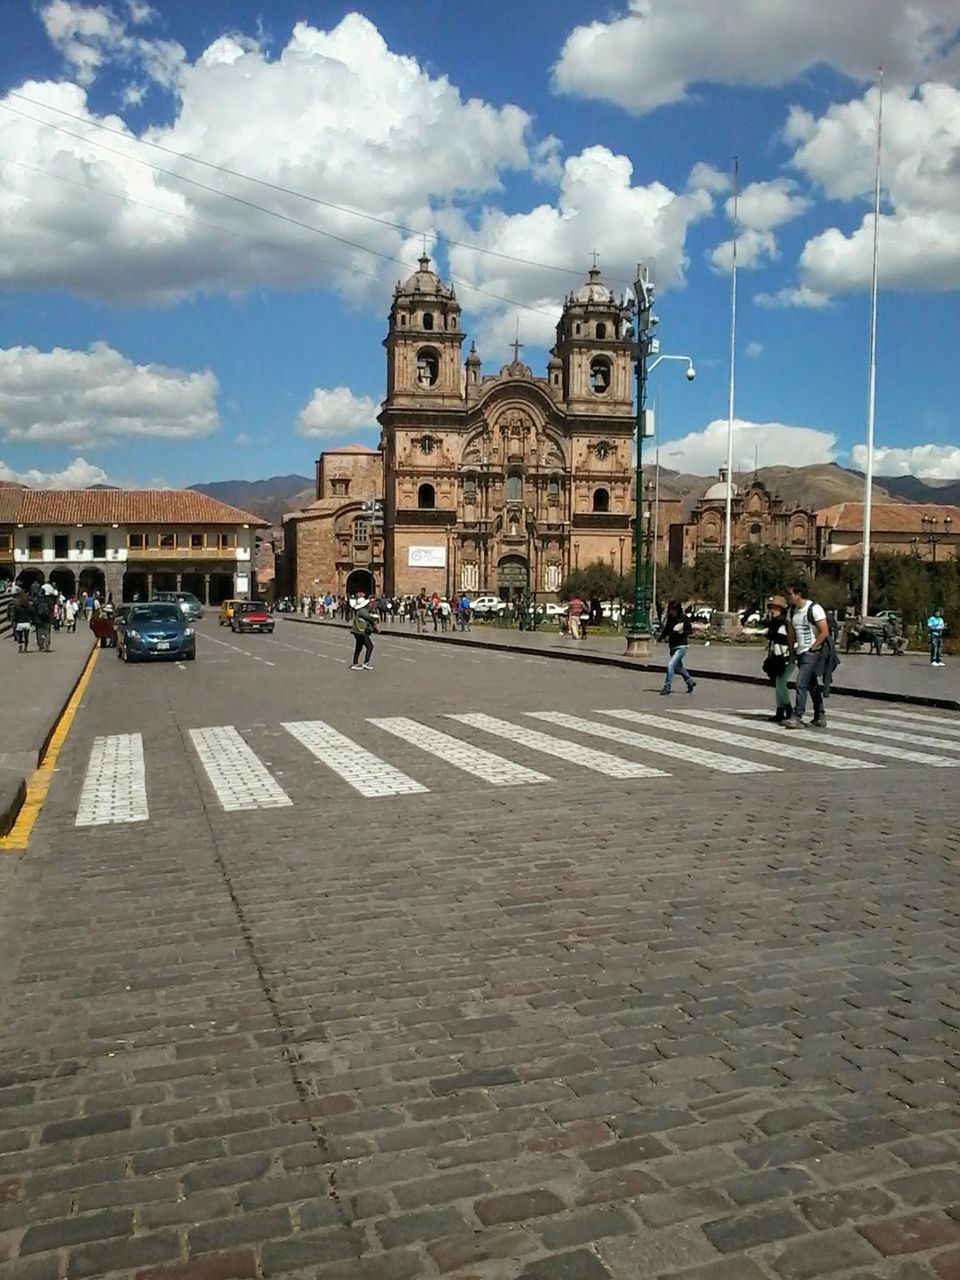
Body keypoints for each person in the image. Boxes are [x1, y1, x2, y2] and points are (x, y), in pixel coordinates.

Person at [783, 581, 828, 729]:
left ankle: (797, 716)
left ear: (798, 594)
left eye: (790, 594)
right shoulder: (791, 611)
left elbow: (824, 631)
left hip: (811, 653)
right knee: (812, 685)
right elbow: (791, 633)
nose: (788, 597)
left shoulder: (814, 609)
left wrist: (813, 647)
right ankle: (820, 715)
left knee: (800, 683)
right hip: (800, 652)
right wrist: (791, 651)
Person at [762, 596, 795, 723]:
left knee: (781, 683)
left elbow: (788, 640)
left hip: (787, 657)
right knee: (778, 684)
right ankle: (780, 711)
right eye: (771, 608)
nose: (773, 611)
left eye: (776, 609)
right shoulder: (773, 624)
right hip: (776, 657)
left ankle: (789, 709)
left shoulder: (785, 625)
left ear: (782, 610)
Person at [659, 599, 696, 695]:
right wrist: (660, 638)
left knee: (670, 665)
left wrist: (682, 632)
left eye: (672, 609)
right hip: (672, 646)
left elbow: (689, 631)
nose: (670, 611)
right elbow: (667, 630)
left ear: (676, 609)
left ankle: (667, 687)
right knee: (678, 667)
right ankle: (689, 681)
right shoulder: (671, 619)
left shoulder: (684, 619)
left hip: (681, 646)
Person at [350, 595, 378, 670]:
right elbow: (369, 618)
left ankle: (355, 663)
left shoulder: (360, 610)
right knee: (370, 646)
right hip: (361, 631)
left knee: (358, 647)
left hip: (357, 631)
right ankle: (366, 663)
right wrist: (375, 620)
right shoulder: (362, 611)